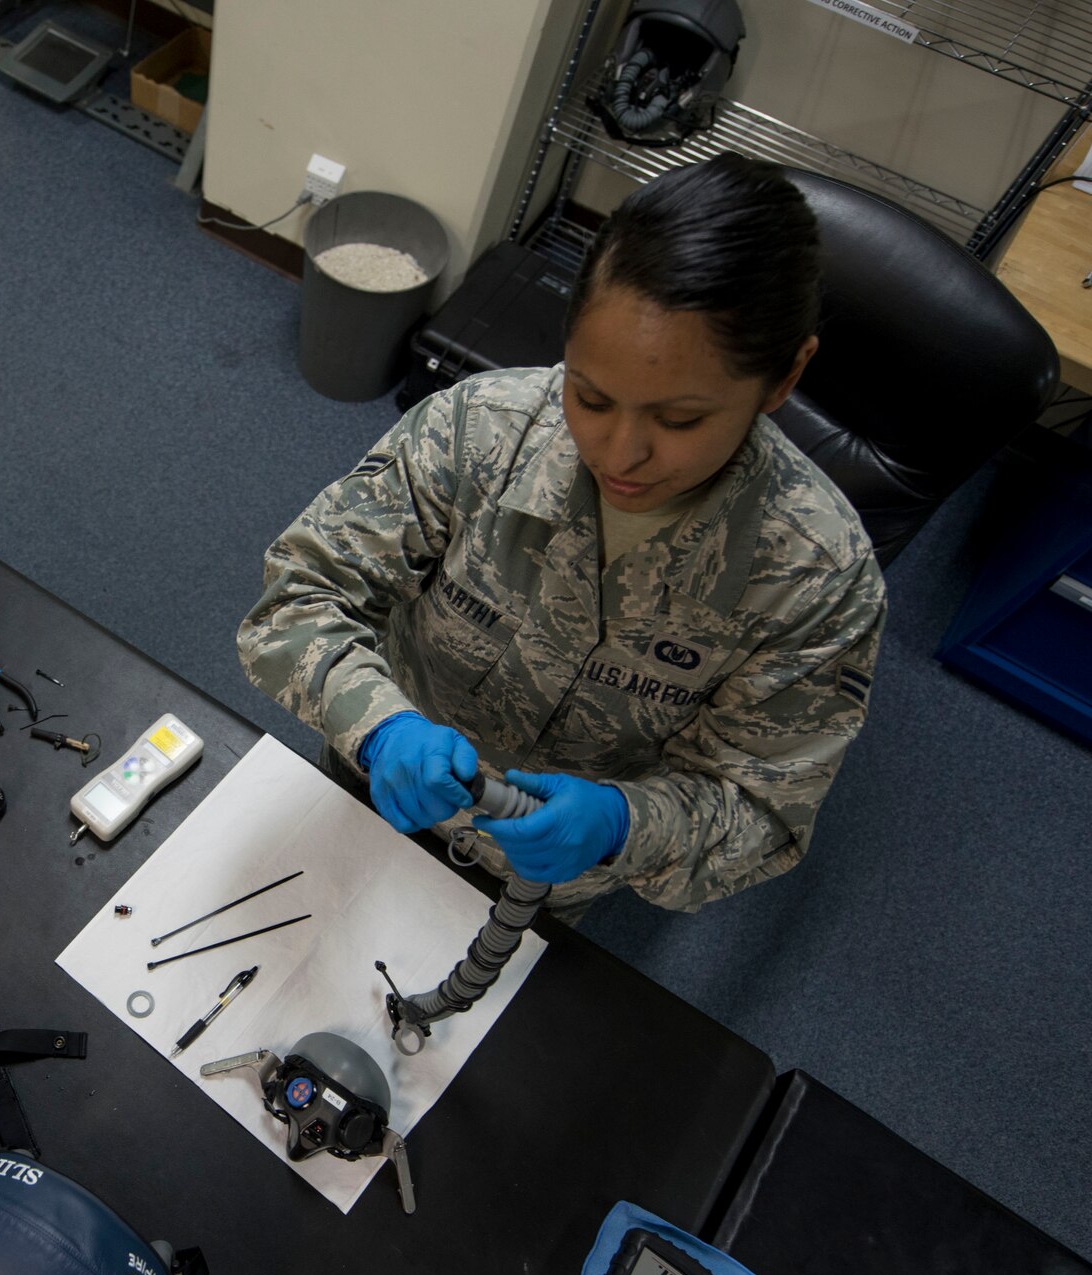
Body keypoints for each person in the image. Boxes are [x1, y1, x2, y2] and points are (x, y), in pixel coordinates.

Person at [237, 153, 885, 919]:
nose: (620, 454)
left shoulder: (818, 581)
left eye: (680, 420)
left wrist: (623, 825)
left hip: (550, 881)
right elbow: (297, 602)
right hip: (371, 783)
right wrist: (380, 728)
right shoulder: (478, 431)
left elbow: (761, 812)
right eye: (591, 396)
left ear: (783, 379)